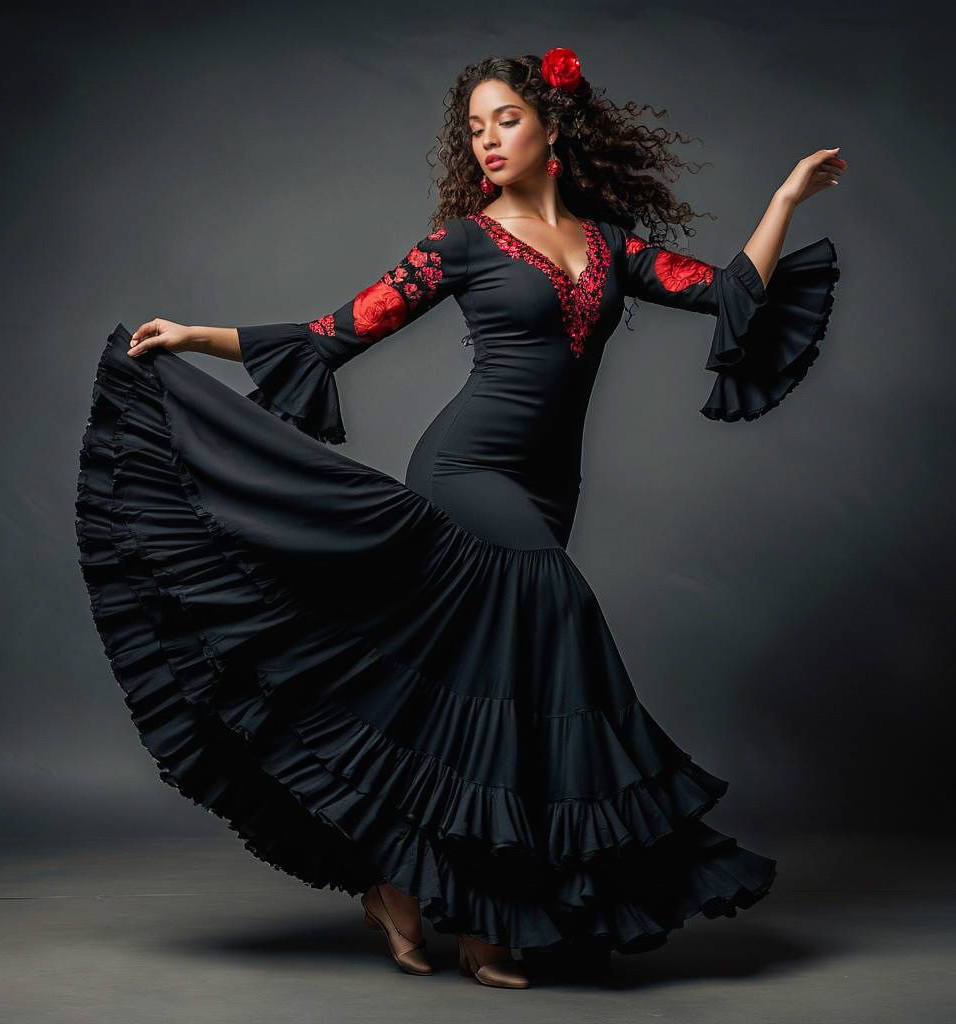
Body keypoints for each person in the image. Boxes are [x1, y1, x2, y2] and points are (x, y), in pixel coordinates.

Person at [74, 48, 844, 990]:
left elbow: (731, 295)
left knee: (490, 702)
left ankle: (416, 888)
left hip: (550, 486)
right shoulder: (465, 242)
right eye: (473, 127)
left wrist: (786, 200)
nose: (486, 140)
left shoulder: (614, 248)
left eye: (505, 120)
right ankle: (483, 923)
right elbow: (336, 333)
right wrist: (197, 337)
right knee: (557, 616)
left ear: (554, 127)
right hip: (466, 468)